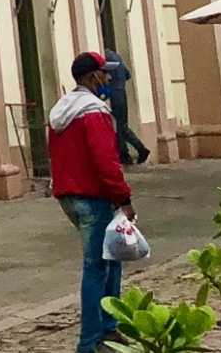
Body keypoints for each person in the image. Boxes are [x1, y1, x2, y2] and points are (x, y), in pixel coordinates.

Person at [49, 51, 135, 353]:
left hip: (69, 195)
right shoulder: (93, 112)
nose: (108, 78)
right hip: (94, 197)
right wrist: (123, 197)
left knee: (111, 260)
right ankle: (89, 342)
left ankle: (109, 328)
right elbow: (105, 162)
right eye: (104, 73)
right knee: (96, 266)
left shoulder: (62, 110)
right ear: (90, 77)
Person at [101, 50, 150, 166]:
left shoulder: (106, 59)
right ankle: (125, 154)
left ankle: (139, 150)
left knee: (120, 127)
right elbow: (128, 75)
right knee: (121, 126)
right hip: (122, 93)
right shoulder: (119, 59)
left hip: (113, 95)